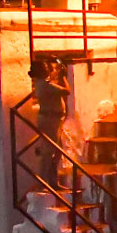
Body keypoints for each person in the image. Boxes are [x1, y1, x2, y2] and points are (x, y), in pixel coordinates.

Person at [30, 58, 70, 189]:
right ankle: (43, 182)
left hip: (53, 119)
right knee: (49, 151)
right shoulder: (45, 85)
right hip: (50, 120)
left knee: (56, 151)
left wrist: (57, 73)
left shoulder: (43, 84)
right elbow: (66, 91)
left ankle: (52, 181)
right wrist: (63, 77)